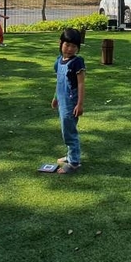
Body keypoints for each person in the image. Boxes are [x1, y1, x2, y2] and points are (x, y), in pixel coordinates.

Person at [51, 28, 85, 174]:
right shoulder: (58, 61)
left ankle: (74, 163)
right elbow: (59, 81)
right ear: (61, 43)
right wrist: (55, 97)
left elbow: (81, 84)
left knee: (69, 132)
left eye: (74, 46)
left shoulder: (77, 63)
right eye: (67, 45)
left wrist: (79, 104)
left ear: (78, 48)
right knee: (66, 130)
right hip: (62, 101)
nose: (70, 49)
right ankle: (71, 156)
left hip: (71, 103)